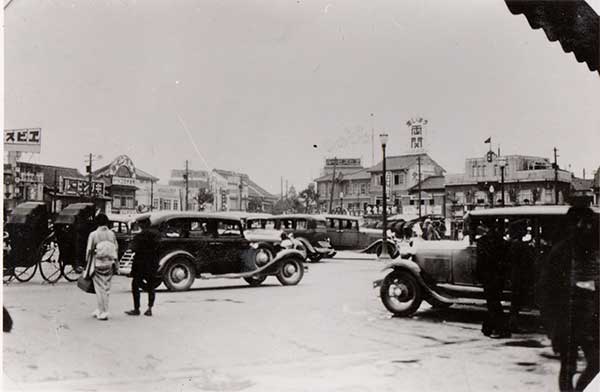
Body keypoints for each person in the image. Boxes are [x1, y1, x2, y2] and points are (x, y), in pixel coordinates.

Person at [538, 204, 599, 392]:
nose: (586, 228)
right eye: (582, 223)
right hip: (568, 320)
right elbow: (545, 291)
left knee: (596, 364)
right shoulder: (561, 252)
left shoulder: (594, 251)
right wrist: (552, 327)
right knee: (568, 368)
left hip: (591, 320)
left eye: (589, 224)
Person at [476, 220, 510, 338]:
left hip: (487, 276)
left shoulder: (481, 242)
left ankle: (499, 329)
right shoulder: (503, 242)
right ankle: (489, 327)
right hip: (499, 276)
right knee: (494, 302)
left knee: (492, 302)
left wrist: (479, 276)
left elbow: (480, 262)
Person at [85, 213, 119, 321]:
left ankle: (103, 311)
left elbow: (89, 250)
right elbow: (116, 247)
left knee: (99, 289)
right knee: (106, 287)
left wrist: (87, 262)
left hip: (98, 263)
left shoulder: (93, 234)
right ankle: (100, 309)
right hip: (109, 262)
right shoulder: (111, 234)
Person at [125, 217, 160, 317]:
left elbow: (132, 249)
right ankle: (149, 308)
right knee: (151, 285)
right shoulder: (157, 236)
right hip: (153, 263)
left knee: (135, 284)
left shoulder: (139, 236)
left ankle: (136, 309)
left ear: (142, 225)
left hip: (140, 264)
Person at [507, 220, 535, 332]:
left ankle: (513, 322)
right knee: (516, 301)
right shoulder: (518, 245)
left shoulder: (513, 244)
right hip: (519, 276)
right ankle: (513, 324)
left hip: (515, 275)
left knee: (516, 301)